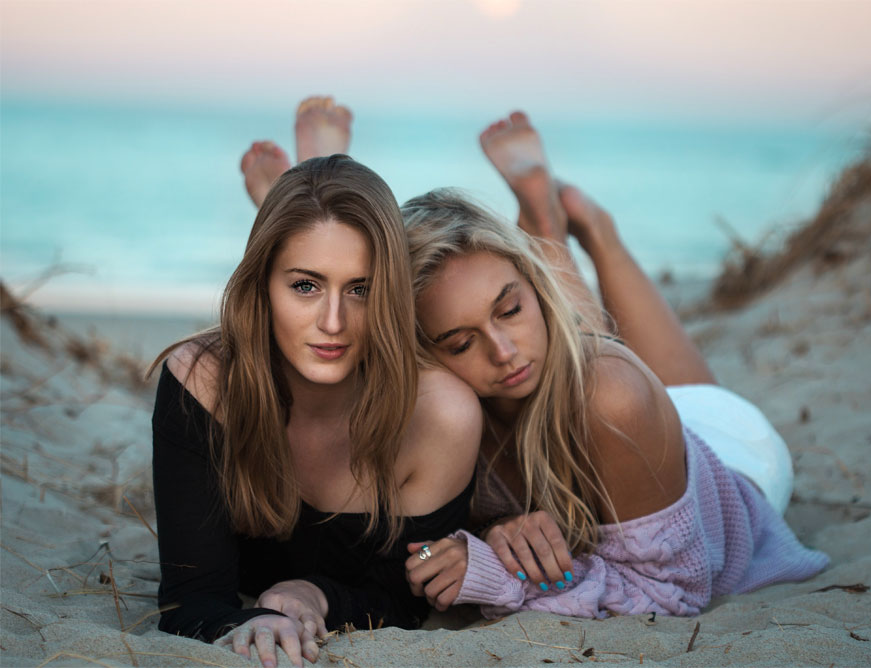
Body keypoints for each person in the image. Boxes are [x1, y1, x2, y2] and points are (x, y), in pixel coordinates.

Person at [400, 111, 829, 617]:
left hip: (731, 453)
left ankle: (597, 232)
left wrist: (499, 569)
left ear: (533, 286)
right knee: (578, 355)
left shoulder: (614, 398)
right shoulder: (441, 414)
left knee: (596, 370)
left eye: (510, 308)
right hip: (635, 426)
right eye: (459, 343)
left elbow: (672, 592)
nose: (503, 350)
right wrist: (493, 531)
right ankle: (545, 221)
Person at [150, 152, 482, 667]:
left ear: (391, 293)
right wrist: (250, 622)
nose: (333, 321)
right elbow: (190, 597)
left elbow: (404, 595)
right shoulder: (204, 383)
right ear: (262, 285)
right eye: (305, 285)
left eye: (360, 289)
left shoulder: (440, 413)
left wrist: (314, 595)